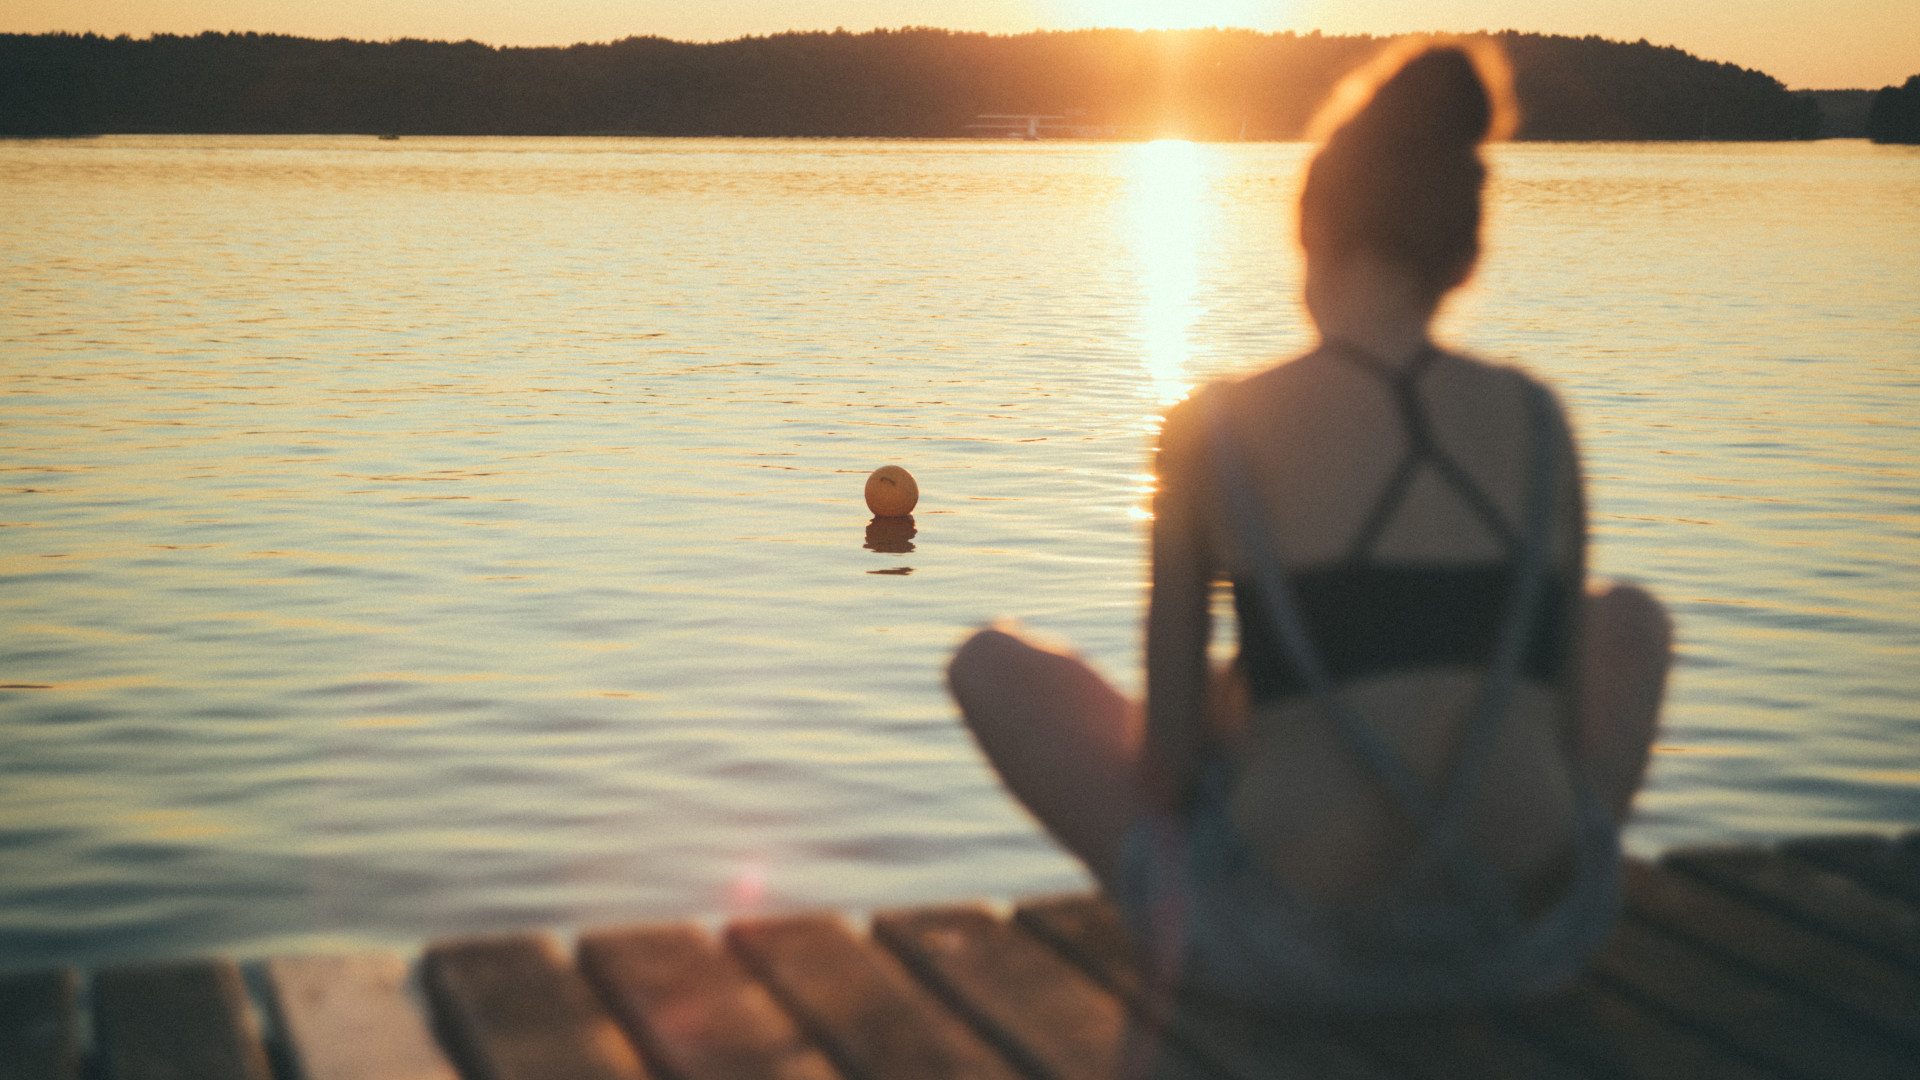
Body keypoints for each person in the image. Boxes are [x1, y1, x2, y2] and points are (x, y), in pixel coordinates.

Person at [947, 39, 1671, 1013]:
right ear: (1463, 255)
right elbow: (1563, 733)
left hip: (1287, 952)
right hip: (1526, 940)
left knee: (994, 665)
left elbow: (1165, 774)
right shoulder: (1539, 421)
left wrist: (1246, 720)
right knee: (1631, 619)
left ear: (1308, 231)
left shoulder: (1215, 430)